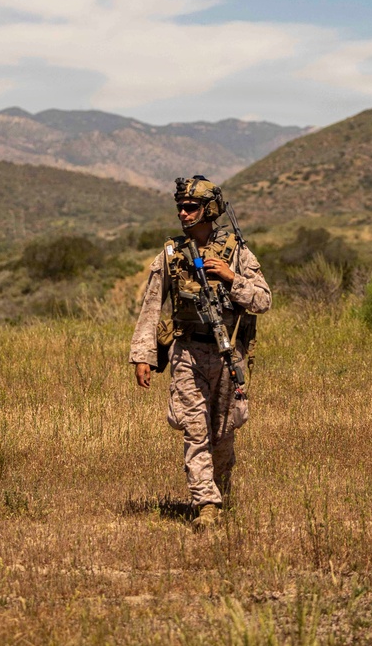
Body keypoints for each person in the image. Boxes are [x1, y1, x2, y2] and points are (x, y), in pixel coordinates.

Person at [130, 175, 271, 530]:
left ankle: (221, 490)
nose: (183, 212)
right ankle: (206, 505)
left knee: (223, 434)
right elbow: (151, 306)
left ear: (209, 210)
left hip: (226, 355)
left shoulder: (237, 252)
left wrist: (230, 278)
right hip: (186, 353)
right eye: (180, 206)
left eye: (191, 207)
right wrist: (143, 355)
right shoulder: (171, 254)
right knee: (195, 431)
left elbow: (263, 300)